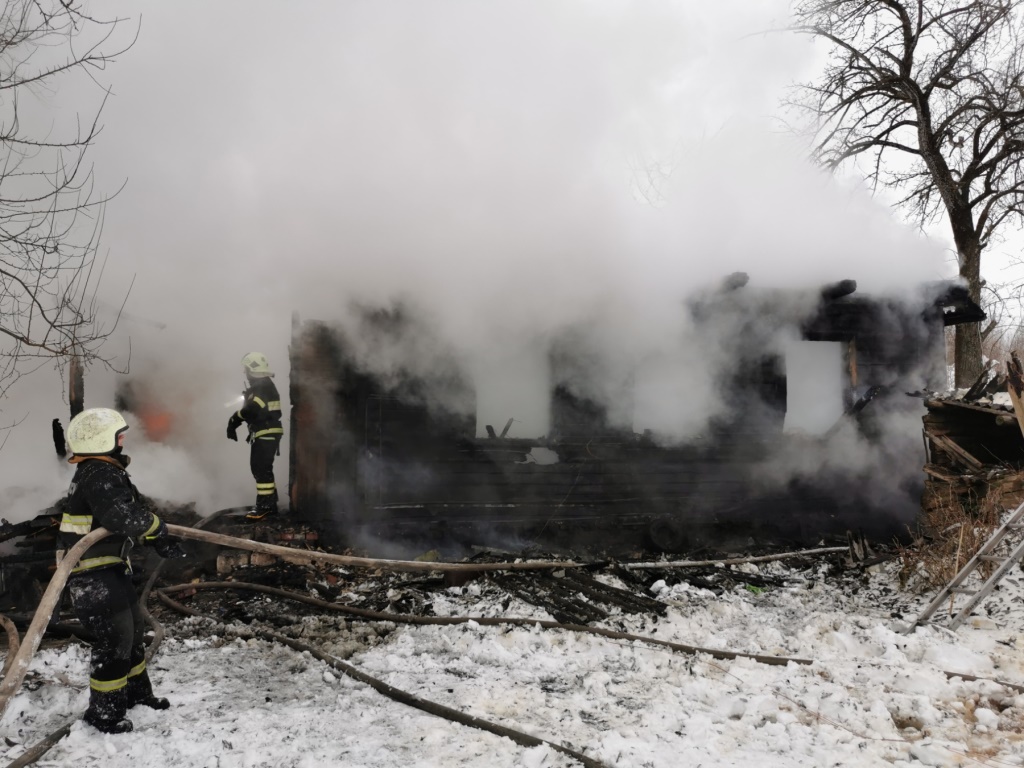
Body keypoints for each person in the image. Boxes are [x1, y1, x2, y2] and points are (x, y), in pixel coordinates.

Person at [57, 407, 187, 734]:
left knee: (132, 635)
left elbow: (133, 512)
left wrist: (160, 540)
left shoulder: (105, 471)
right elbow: (121, 516)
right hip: (91, 574)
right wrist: (158, 530)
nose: (123, 439)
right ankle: (105, 714)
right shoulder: (97, 473)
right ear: (103, 440)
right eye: (118, 435)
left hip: (109, 569)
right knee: (115, 639)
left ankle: (137, 696)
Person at [226, 352, 284, 521]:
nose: (245, 372)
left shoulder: (262, 386)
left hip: (267, 432)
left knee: (260, 468)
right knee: (262, 468)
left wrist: (234, 420)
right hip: (266, 431)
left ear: (252, 369)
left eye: (246, 369)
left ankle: (265, 506)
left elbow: (252, 409)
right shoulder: (263, 385)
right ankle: (270, 504)